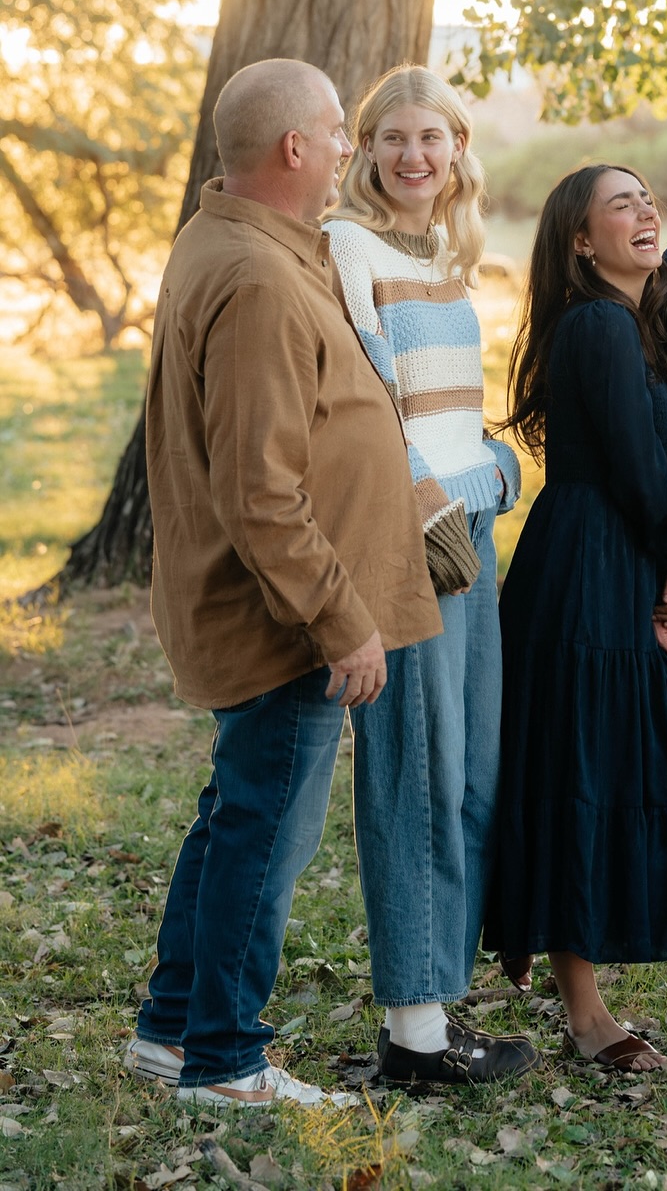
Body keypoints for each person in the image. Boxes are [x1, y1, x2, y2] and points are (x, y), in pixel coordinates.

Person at [125, 59, 442, 1107]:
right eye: (338, 132)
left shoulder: (243, 243)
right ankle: (225, 1060)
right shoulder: (257, 277)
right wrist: (341, 621)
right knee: (264, 832)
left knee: (234, 815)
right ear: (295, 150)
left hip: (271, 604)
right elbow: (262, 490)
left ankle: (172, 1029)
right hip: (281, 617)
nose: (352, 148)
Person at [484, 164, 667, 1072]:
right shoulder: (594, 322)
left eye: (646, 199)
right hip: (583, 565)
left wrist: (659, 579)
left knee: (623, 767)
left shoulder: (638, 326)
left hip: (612, 561)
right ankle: (586, 1018)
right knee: (589, 774)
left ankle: (547, 941)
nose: (645, 211)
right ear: (581, 242)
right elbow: (634, 467)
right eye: (618, 204)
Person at [325, 65, 535, 1087]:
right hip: (411, 546)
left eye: (431, 138)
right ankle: (413, 1027)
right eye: (392, 139)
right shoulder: (347, 247)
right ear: (365, 151)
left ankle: (439, 1007)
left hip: (469, 533)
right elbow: (365, 407)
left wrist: (499, 466)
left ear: (458, 147)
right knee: (415, 772)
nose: (413, 156)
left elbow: (453, 416)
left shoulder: (446, 258)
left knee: (472, 772)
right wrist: (431, 509)